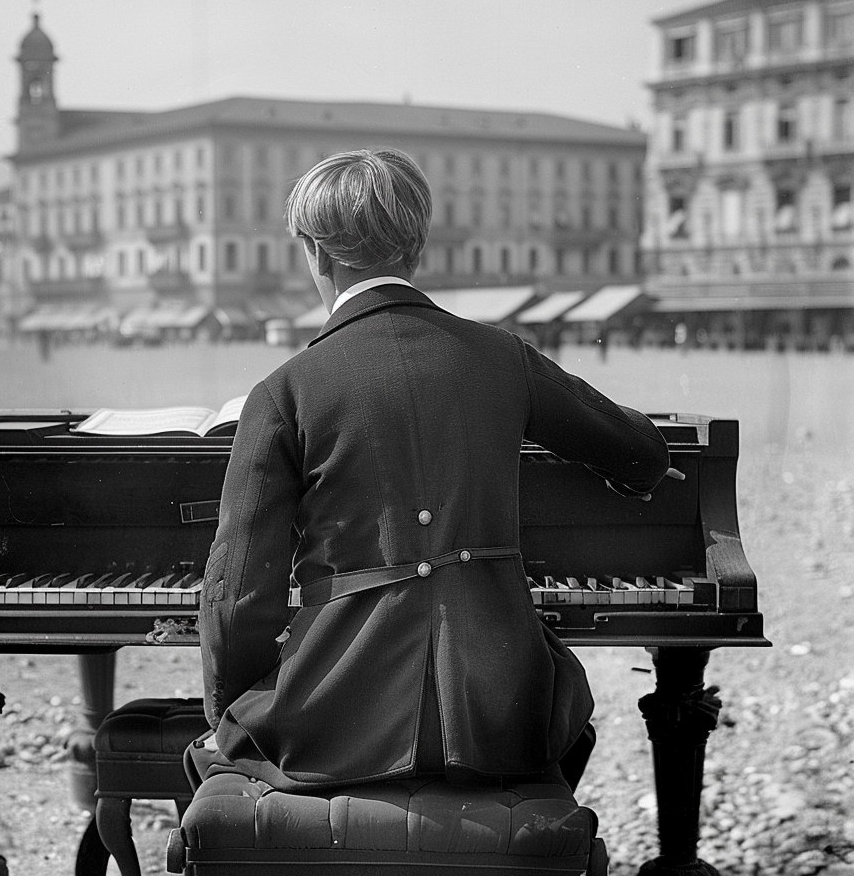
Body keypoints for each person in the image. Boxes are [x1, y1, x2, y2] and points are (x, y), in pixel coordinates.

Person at [190, 148, 672, 798]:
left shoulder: (285, 391)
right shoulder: (505, 358)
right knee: (567, 714)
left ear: (317, 254)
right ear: (417, 245)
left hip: (336, 721)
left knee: (206, 755)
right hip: (500, 710)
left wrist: (234, 709)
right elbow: (642, 452)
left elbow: (238, 596)